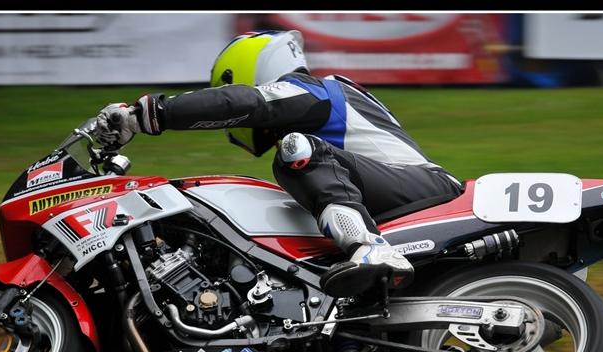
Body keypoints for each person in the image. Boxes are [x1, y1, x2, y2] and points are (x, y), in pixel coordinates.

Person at [94, 30, 463, 297]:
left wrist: (149, 113)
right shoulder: (325, 105)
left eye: (230, 84)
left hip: (423, 187)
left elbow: (245, 103)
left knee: (297, 150)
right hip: (394, 194)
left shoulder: (318, 89)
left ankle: (371, 249)